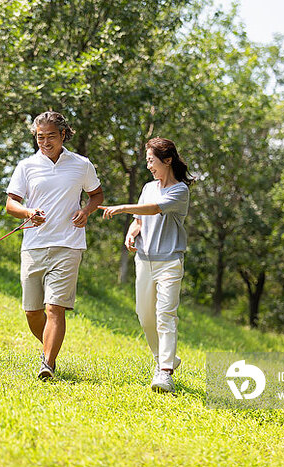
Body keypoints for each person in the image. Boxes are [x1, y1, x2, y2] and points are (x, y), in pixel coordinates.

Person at [6, 111, 104, 380]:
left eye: (51, 136)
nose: (45, 142)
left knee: (54, 308)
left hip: (68, 245)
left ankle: (47, 364)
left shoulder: (82, 164)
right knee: (32, 312)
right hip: (34, 246)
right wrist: (27, 213)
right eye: (40, 137)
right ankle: (49, 349)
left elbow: (96, 195)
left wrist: (86, 211)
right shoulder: (26, 166)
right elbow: (11, 203)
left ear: (63, 134)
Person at [99, 138, 193, 393]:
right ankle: (166, 359)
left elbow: (152, 209)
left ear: (168, 160)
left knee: (165, 316)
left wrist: (121, 208)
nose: (149, 166)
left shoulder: (180, 190)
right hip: (144, 261)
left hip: (170, 262)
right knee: (145, 316)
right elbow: (140, 219)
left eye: (152, 160)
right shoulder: (148, 187)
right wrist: (131, 232)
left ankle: (164, 373)